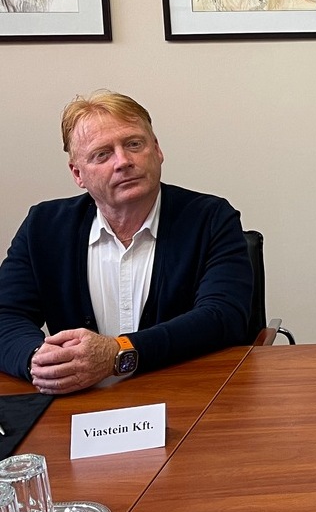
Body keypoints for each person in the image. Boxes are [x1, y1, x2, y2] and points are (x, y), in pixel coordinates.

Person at [0, 91, 253, 394]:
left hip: (188, 397)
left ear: (156, 149)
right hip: (81, 403)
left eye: (134, 144)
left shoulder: (210, 218)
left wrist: (119, 353)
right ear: (78, 174)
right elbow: (5, 315)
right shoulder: (43, 227)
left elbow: (223, 316)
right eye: (102, 154)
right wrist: (39, 360)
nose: (123, 162)